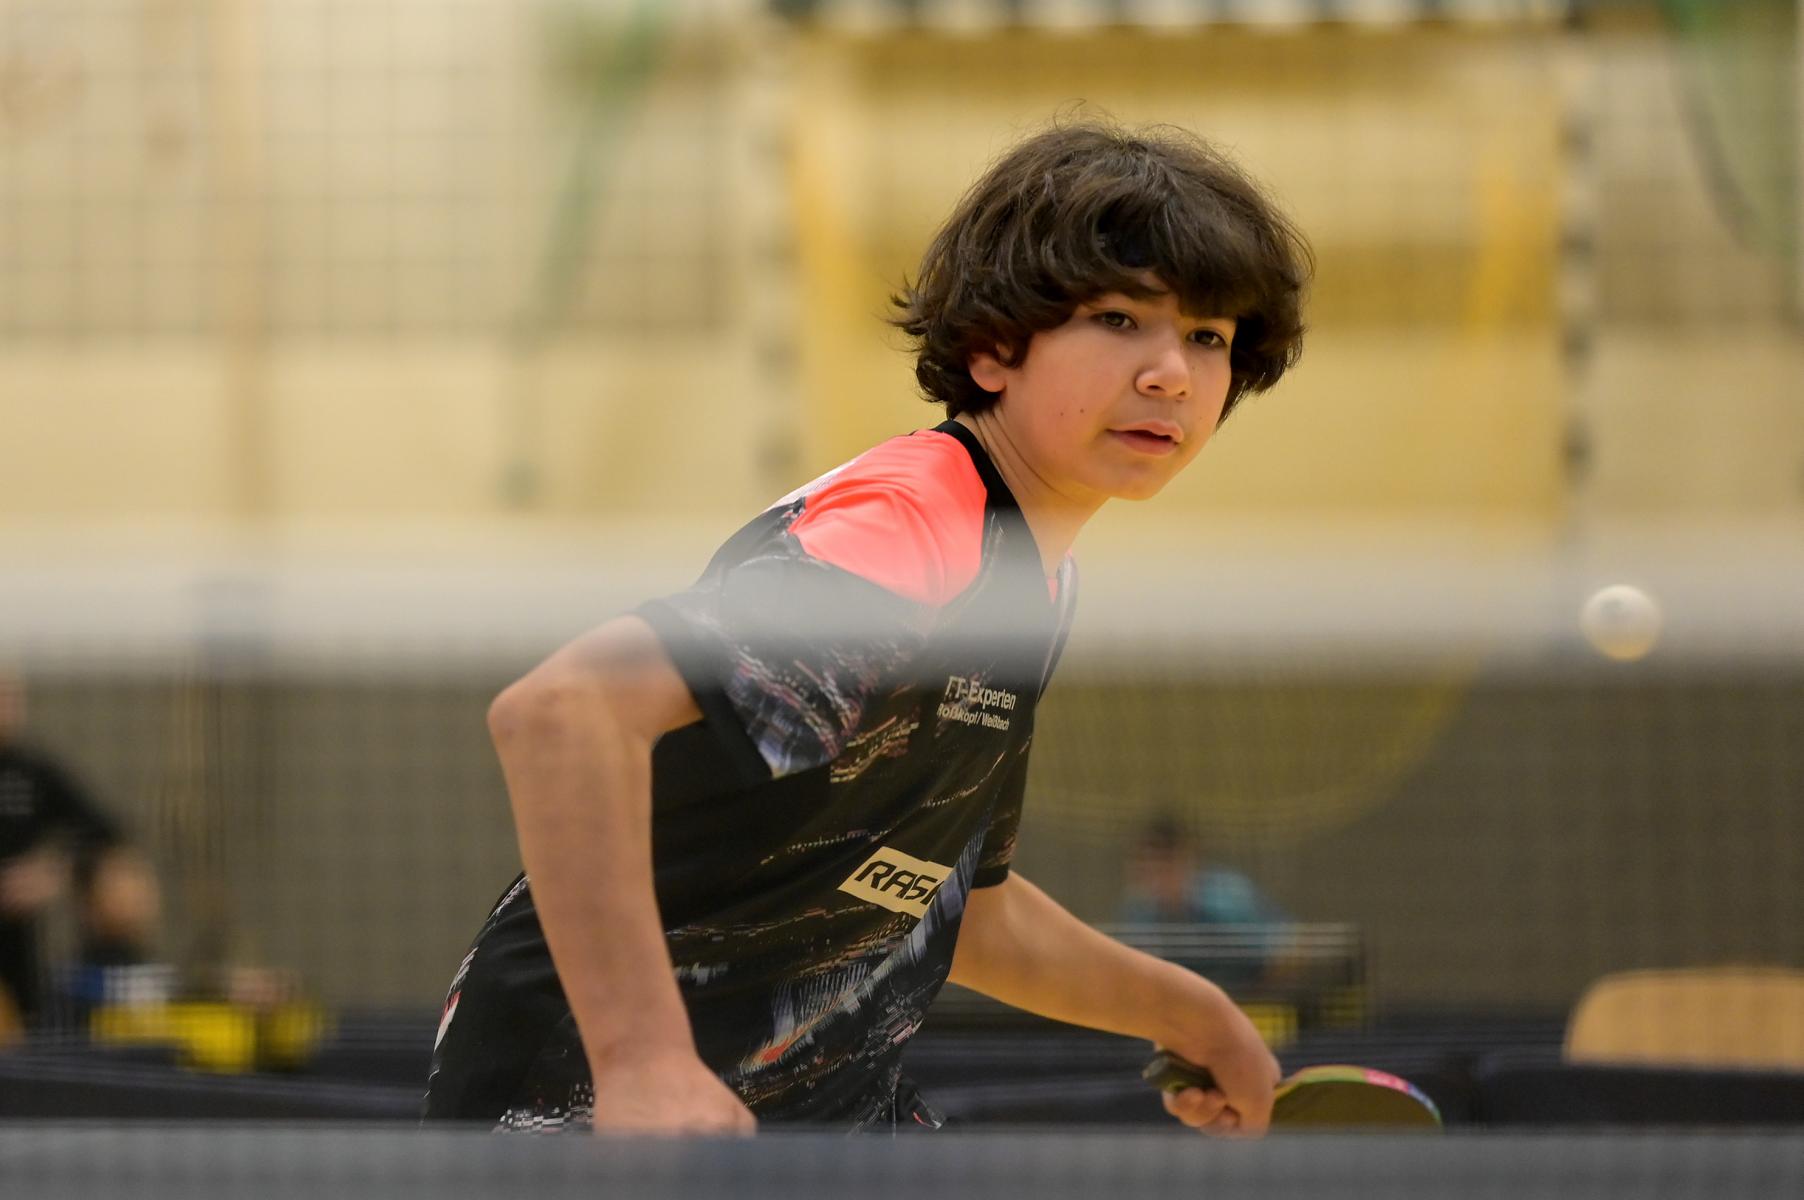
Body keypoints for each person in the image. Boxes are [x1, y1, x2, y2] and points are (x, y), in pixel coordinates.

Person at [423, 120, 1312, 1136]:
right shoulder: (911, 528)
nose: (1172, 373)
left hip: (807, 1118)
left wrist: (1192, 1013)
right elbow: (563, 711)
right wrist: (644, 1059)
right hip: (589, 1109)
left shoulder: (1031, 581)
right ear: (993, 349)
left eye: (1208, 337)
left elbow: (958, 911)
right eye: (1118, 319)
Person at [0, 672, 161, 1039]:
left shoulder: (33, 772)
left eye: (10, 697)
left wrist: (52, 871)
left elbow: (105, 832)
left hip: (16, 948)